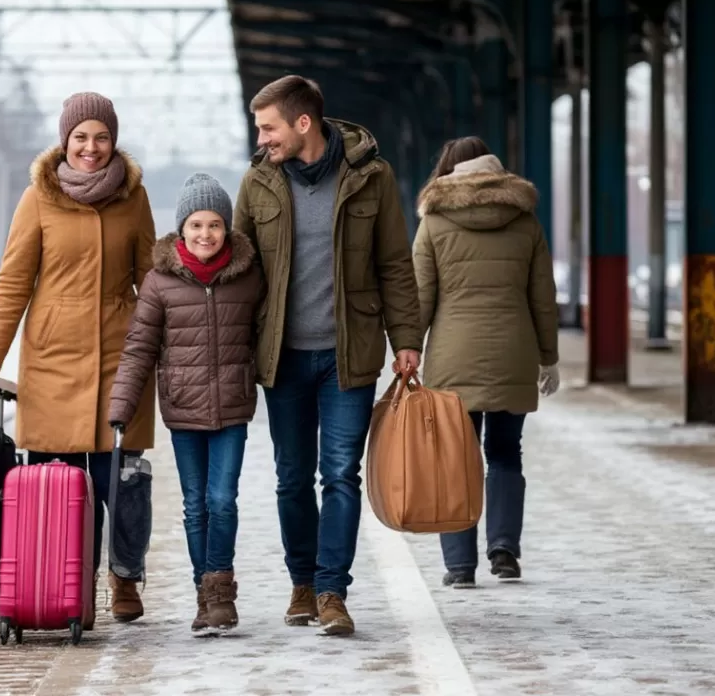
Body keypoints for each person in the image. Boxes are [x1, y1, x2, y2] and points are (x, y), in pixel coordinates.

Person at [233, 75, 423, 636]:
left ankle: (333, 591)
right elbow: (240, 270)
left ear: (302, 123)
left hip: (350, 354)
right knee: (292, 477)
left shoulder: (371, 177)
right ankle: (302, 584)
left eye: (269, 127)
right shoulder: (258, 182)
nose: (262, 138)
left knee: (341, 475)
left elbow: (394, 262)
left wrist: (406, 338)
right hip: (284, 358)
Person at [0, 92, 157, 623]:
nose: (90, 148)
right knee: (61, 488)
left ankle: (124, 577)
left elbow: (154, 279)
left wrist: (171, 343)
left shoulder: (134, 198)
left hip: (122, 355)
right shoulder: (38, 198)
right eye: (80, 138)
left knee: (125, 481)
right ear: (64, 141)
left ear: (113, 140)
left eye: (100, 137)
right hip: (53, 361)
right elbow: (12, 284)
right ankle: (68, 587)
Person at [109, 173, 263, 635]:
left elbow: (268, 333)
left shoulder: (250, 277)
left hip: (233, 407)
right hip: (183, 410)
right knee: (196, 504)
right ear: (181, 230)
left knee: (224, 499)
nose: (205, 235)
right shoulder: (159, 283)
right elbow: (138, 348)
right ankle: (206, 594)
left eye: (214, 225)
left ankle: (220, 588)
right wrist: (122, 404)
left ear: (227, 228)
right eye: (195, 225)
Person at [412, 136, 560, 589]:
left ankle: (459, 566)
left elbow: (420, 297)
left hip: (453, 357)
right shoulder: (525, 220)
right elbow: (543, 297)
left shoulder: (434, 222)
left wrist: (407, 350)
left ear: (448, 171)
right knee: (505, 453)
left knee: (454, 459)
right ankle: (504, 551)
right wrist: (548, 356)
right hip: (513, 352)